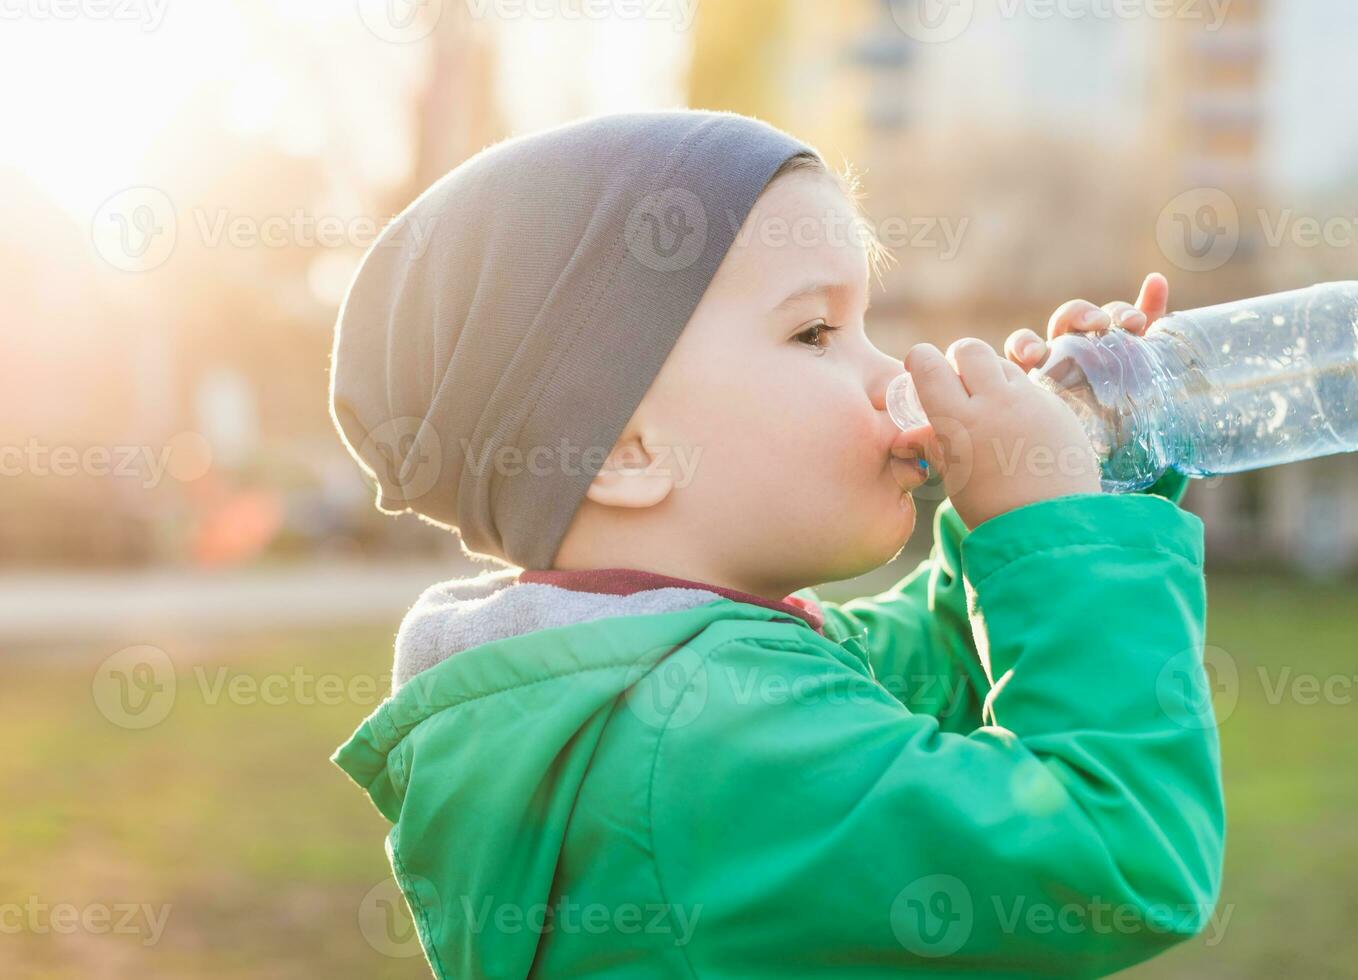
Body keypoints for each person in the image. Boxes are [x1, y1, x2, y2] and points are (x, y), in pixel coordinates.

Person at [328, 109, 1222, 978]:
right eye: (814, 332)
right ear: (624, 452)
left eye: (867, 324)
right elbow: (1117, 853)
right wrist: (1054, 531)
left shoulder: (670, 687)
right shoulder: (699, 742)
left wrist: (1094, 474)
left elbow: (946, 667)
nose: (890, 373)